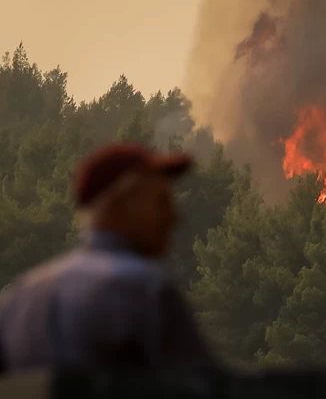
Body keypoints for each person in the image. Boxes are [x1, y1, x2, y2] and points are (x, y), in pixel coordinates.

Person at [0, 143, 217, 378]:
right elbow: (206, 388)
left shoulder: (18, 298)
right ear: (121, 204)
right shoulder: (143, 289)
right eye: (161, 202)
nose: (175, 216)